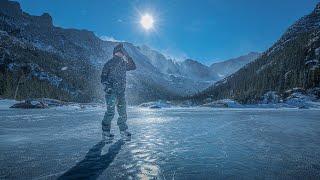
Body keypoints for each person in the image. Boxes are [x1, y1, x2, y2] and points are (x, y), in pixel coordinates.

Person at [100, 43, 136, 141]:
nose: (120, 53)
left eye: (121, 52)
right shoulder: (109, 63)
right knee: (110, 112)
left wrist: (127, 56)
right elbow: (103, 78)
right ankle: (105, 131)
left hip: (121, 93)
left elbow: (133, 66)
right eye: (118, 52)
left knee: (123, 113)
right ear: (114, 53)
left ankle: (123, 131)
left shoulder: (124, 63)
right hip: (111, 92)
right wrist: (108, 88)